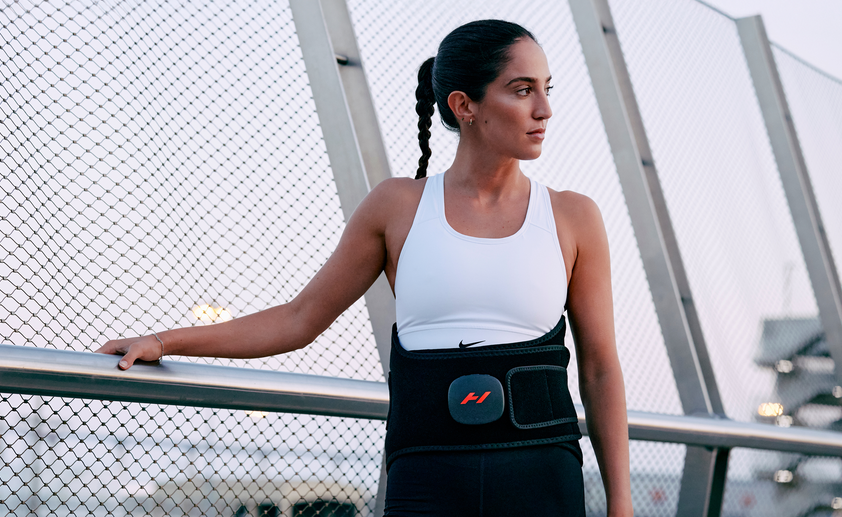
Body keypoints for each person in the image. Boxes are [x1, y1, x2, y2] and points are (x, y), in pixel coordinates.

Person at [98, 19, 632, 517]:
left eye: (547, 88)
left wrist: (621, 505)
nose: (544, 109)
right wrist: (165, 342)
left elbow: (601, 368)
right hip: (425, 477)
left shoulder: (572, 217)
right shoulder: (396, 207)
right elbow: (299, 319)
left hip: (542, 479)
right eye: (522, 90)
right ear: (464, 105)